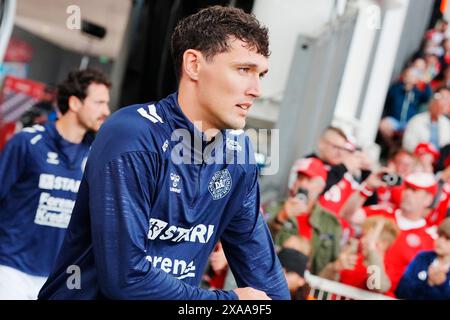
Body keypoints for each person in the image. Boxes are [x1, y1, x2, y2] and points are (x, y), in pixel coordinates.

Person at [38, 6, 289, 300]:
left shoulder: (238, 156)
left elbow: (262, 270)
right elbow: (126, 279)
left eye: (261, 74)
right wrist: (228, 302)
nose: (256, 89)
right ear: (194, 64)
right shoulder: (132, 134)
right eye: (243, 70)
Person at [0, 68, 111, 299]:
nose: (106, 111)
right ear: (74, 103)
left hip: (58, 276)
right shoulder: (27, 143)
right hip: (10, 270)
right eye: (99, 103)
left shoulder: (96, 155)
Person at [396, 217, 450, 299]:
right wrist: (429, 283)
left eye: (447, 239)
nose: (440, 241)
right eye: (439, 235)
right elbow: (402, 290)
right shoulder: (422, 258)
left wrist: (441, 284)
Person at [402, 87, 450, 153]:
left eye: (447, 100)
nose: (444, 102)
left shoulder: (447, 124)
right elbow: (408, 146)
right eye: (443, 98)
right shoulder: (416, 121)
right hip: (419, 159)